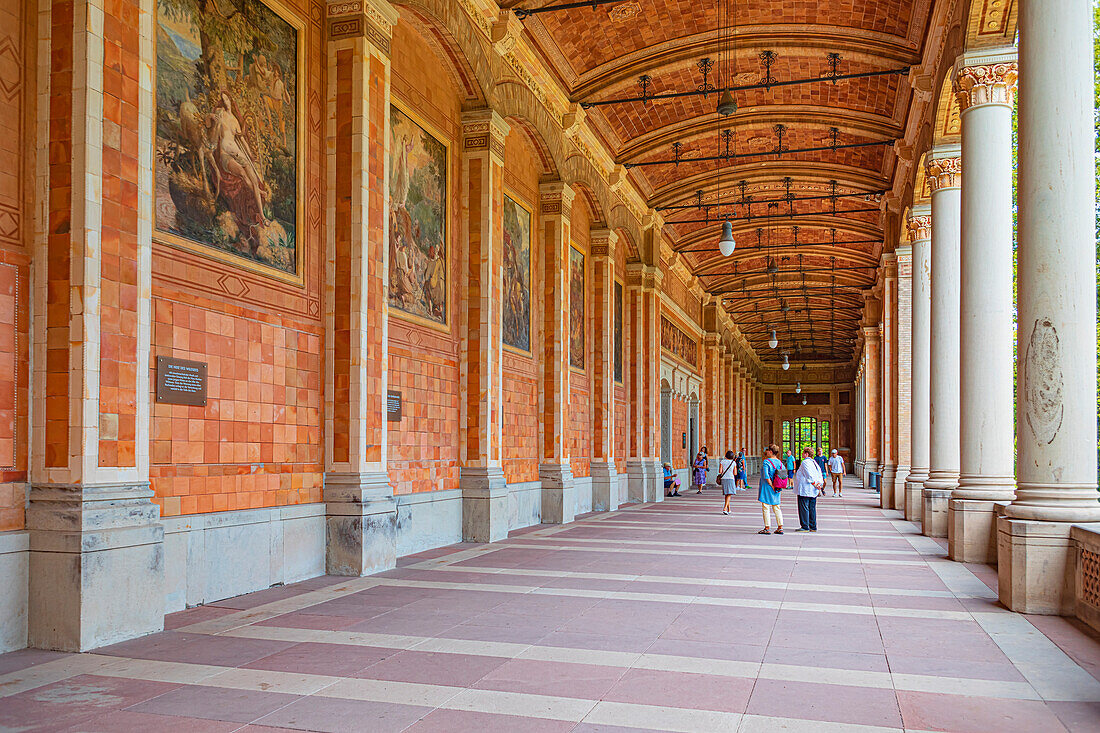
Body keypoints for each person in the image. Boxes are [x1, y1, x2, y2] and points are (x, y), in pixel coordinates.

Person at [795, 447, 825, 532]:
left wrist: (814, 483)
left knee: (804, 507)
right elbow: (819, 473)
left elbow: (809, 474)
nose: (802, 454)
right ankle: (813, 526)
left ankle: (805, 526)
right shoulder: (814, 462)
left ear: (806, 454)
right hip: (813, 489)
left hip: (806, 489)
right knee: (812, 508)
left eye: (803, 452)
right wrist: (819, 483)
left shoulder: (805, 462)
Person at [758, 444, 785, 534]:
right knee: (776, 507)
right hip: (777, 487)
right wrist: (776, 486)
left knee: (765, 507)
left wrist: (771, 485)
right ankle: (780, 527)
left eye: (767, 450)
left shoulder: (766, 462)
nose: (766, 452)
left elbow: (766, 476)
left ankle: (767, 527)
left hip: (767, 486)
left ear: (771, 451)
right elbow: (783, 475)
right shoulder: (780, 463)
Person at [718, 450, 737, 514]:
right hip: (730, 478)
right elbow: (735, 473)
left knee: (727, 494)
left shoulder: (722, 461)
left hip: (724, 478)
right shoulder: (733, 463)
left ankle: (729, 509)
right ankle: (725, 508)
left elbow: (720, 471)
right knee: (729, 494)